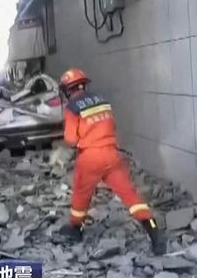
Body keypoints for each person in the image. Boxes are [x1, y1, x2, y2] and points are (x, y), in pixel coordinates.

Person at [58, 68, 167, 255]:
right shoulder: (103, 102)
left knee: (81, 193)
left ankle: (76, 228)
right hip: (112, 154)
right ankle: (153, 230)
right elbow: (112, 125)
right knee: (130, 195)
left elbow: (70, 139)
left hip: (91, 157)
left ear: (68, 90)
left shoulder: (73, 108)